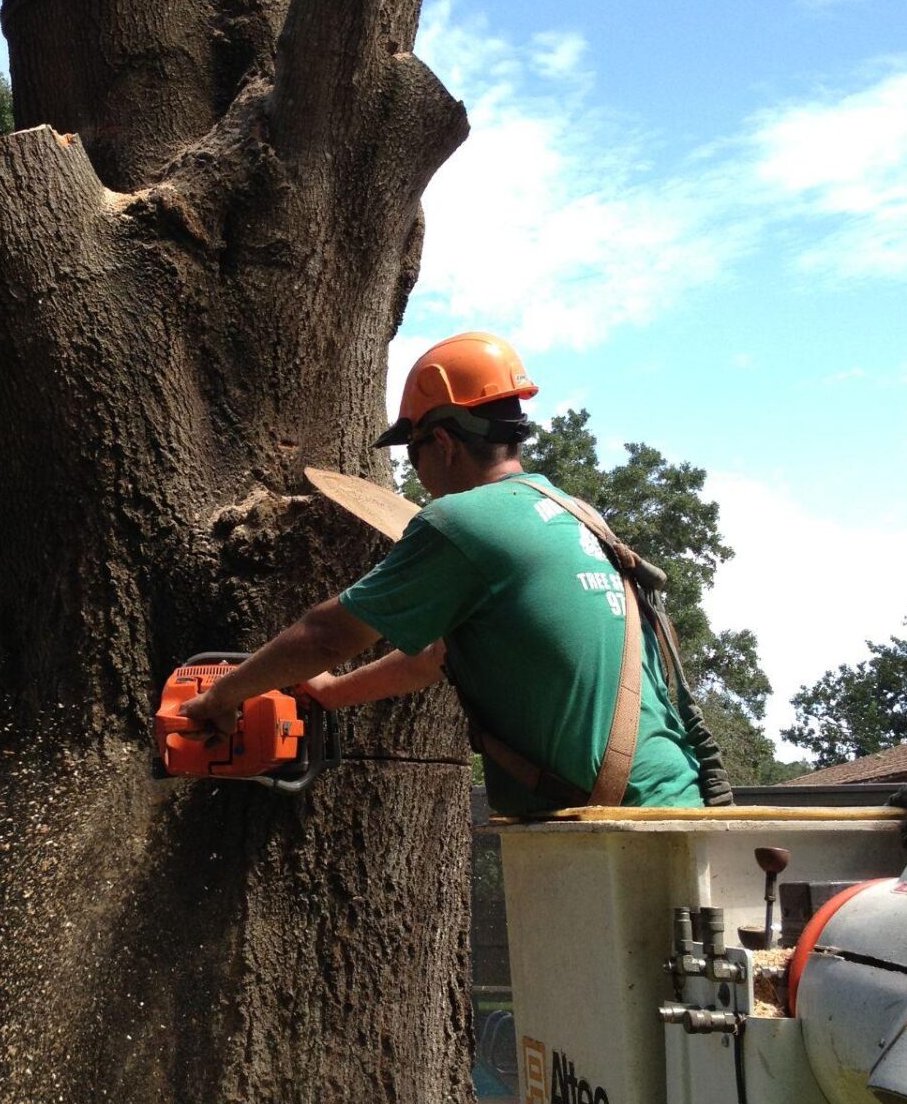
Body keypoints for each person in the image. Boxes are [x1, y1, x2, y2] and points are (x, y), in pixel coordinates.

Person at [181, 331, 705, 815]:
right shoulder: (575, 515)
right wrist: (333, 693)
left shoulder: (464, 521)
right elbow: (436, 658)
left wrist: (220, 698)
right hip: (677, 799)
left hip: (611, 823)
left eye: (413, 450)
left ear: (445, 443)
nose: (414, 470)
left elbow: (328, 633)